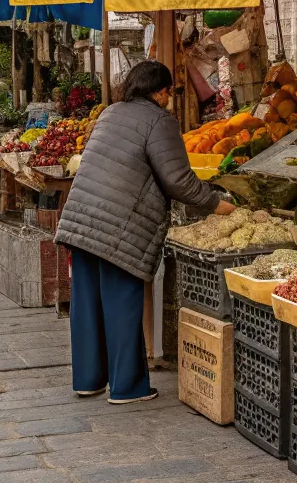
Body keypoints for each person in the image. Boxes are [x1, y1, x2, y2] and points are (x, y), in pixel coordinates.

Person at [55, 60, 235, 404]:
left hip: (81, 217)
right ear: (161, 91)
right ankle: (127, 386)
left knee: (87, 302)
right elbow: (178, 180)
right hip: (119, 224)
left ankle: (88, 379)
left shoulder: (111, 112)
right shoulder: (160, 120)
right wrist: (215, 204)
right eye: (169, 91)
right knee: (122, 301)